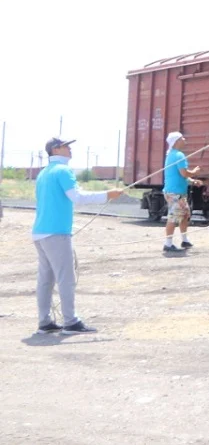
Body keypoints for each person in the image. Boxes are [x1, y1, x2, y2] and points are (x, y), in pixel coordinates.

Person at [32, 137, 123, 334]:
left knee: (46, 279)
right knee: (66, 278)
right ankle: (70, 322)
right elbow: (77, 198)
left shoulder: (44, 173)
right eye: (66, 146)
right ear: (56, 149)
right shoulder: (63, 171)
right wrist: (107, 195)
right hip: (57, 232)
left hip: (40, 232)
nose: (70, 149)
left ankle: (45, 322)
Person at [162, 131, 201, 254]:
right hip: (175, 192)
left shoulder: (172, 155)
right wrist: (194, 172)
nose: (184, 139)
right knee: (174, 217)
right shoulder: (179, 155)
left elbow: (180, 175)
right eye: (182, 138)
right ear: (177, 141)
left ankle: (184, 240)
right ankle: (168, 244)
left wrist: (192, 181)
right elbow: (184, 173)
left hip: (175, 191)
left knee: (184, 215)